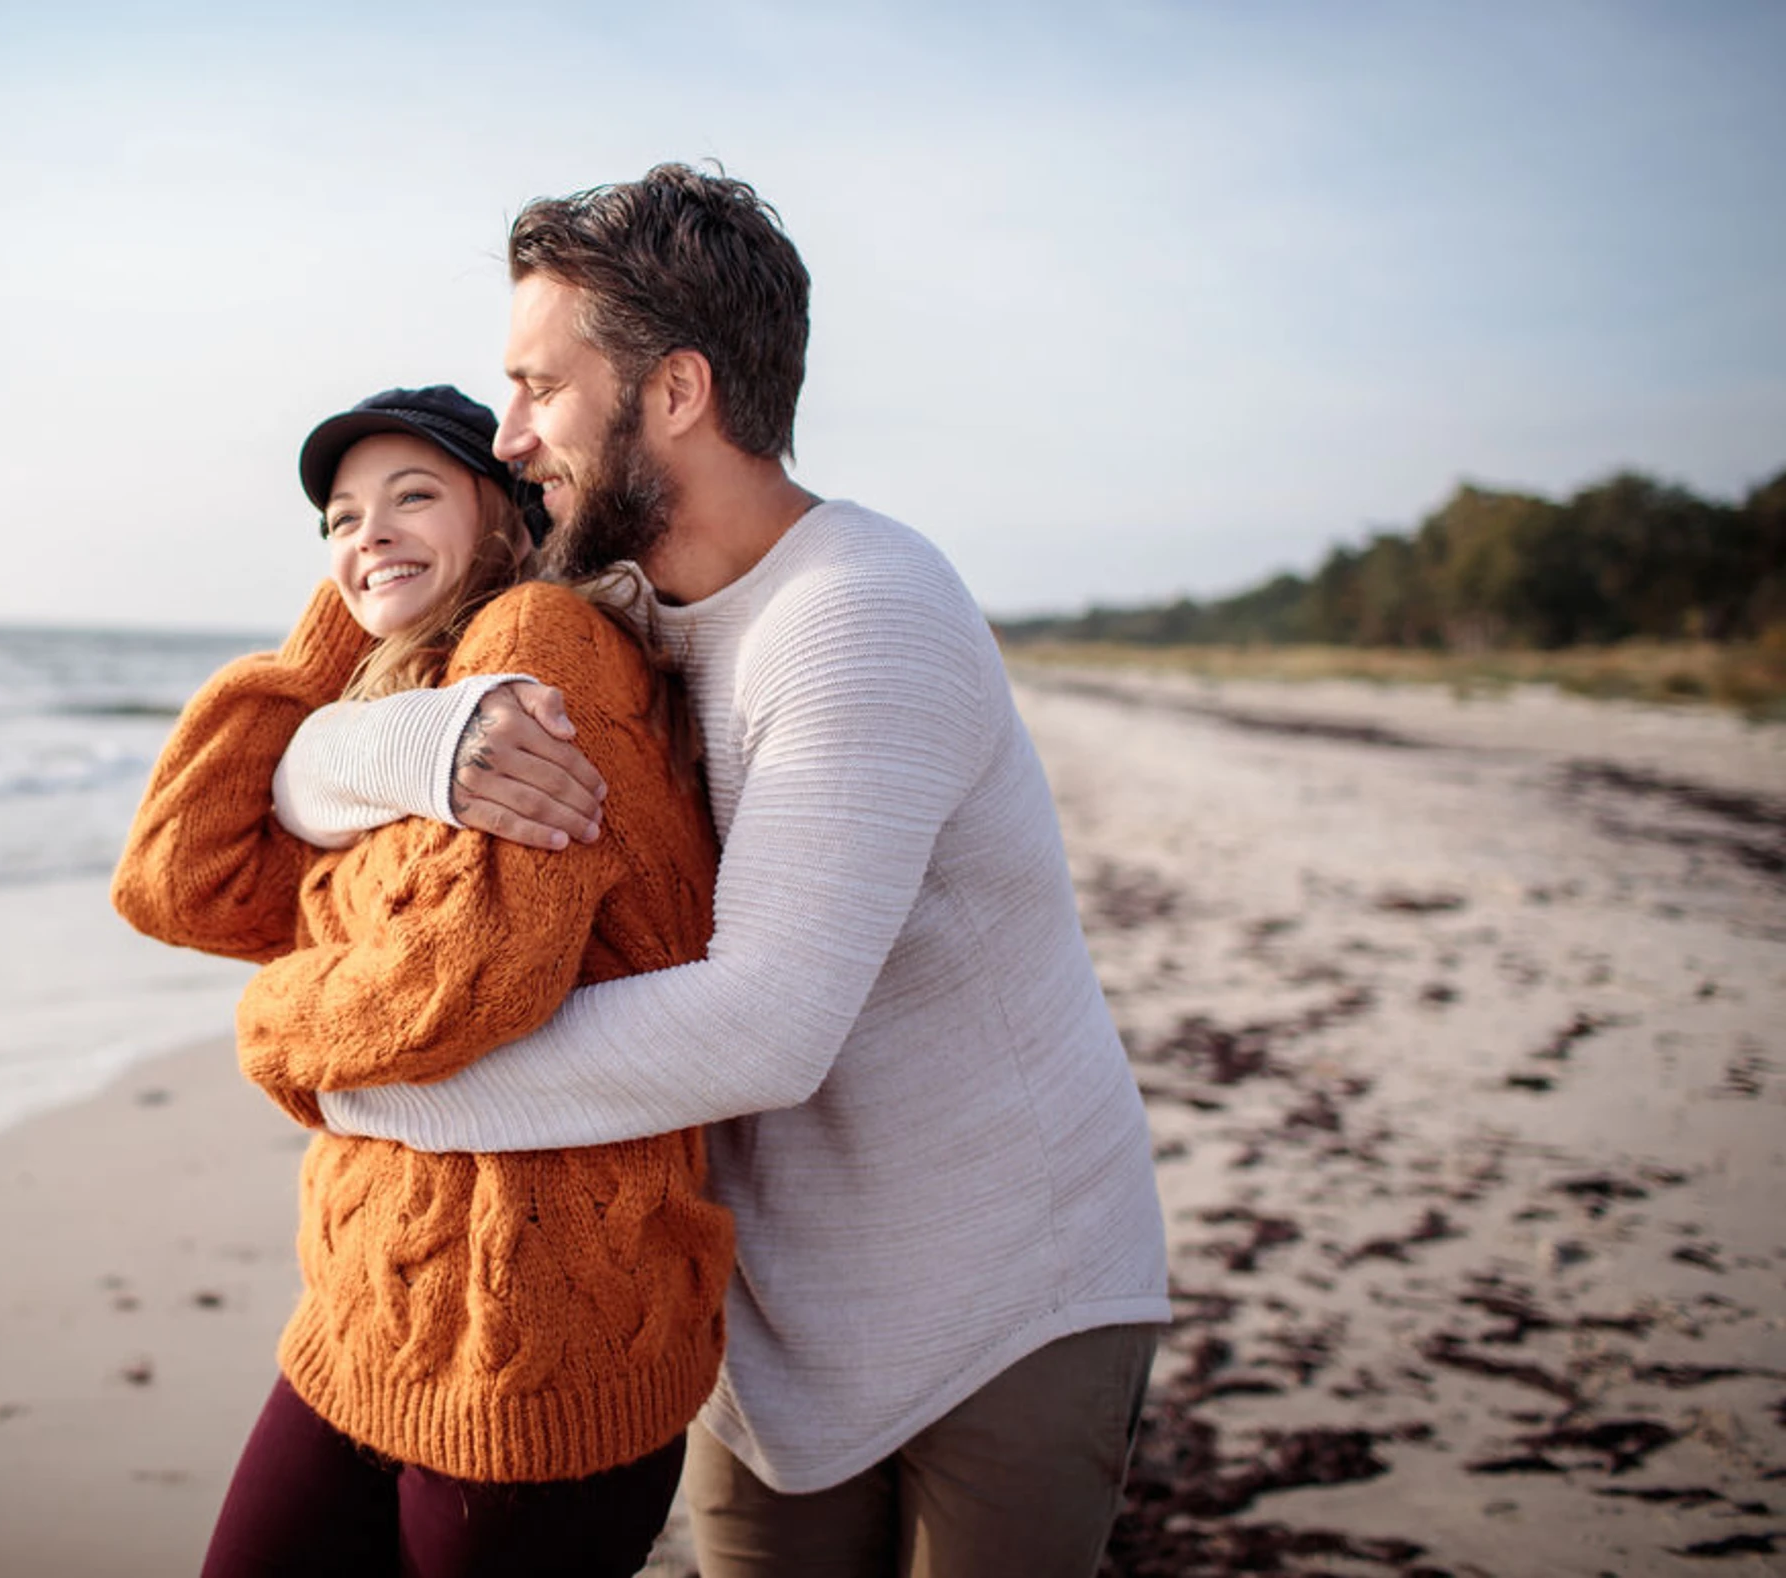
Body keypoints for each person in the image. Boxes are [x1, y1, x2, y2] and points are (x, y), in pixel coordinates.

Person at [265, 166, 1172, 1577]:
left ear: (674, 390)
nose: (506, 437)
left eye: (536, 388)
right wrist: (422, 748)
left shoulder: (855, 615)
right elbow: (298, 757)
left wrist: (358, 1078)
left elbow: (761, 1025)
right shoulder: (629, 606)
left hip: (1000, 1295)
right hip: (756, 1311)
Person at [109, 384, 732, 1578]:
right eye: (338, 519)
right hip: (366, 1309)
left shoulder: (538, 646)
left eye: (411, 498)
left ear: (503, 515)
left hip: (525, 1337)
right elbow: (175, 879)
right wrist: (342, 633)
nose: (365, 533)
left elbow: (460, 981)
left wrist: (266, 1026)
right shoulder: (417, 705)